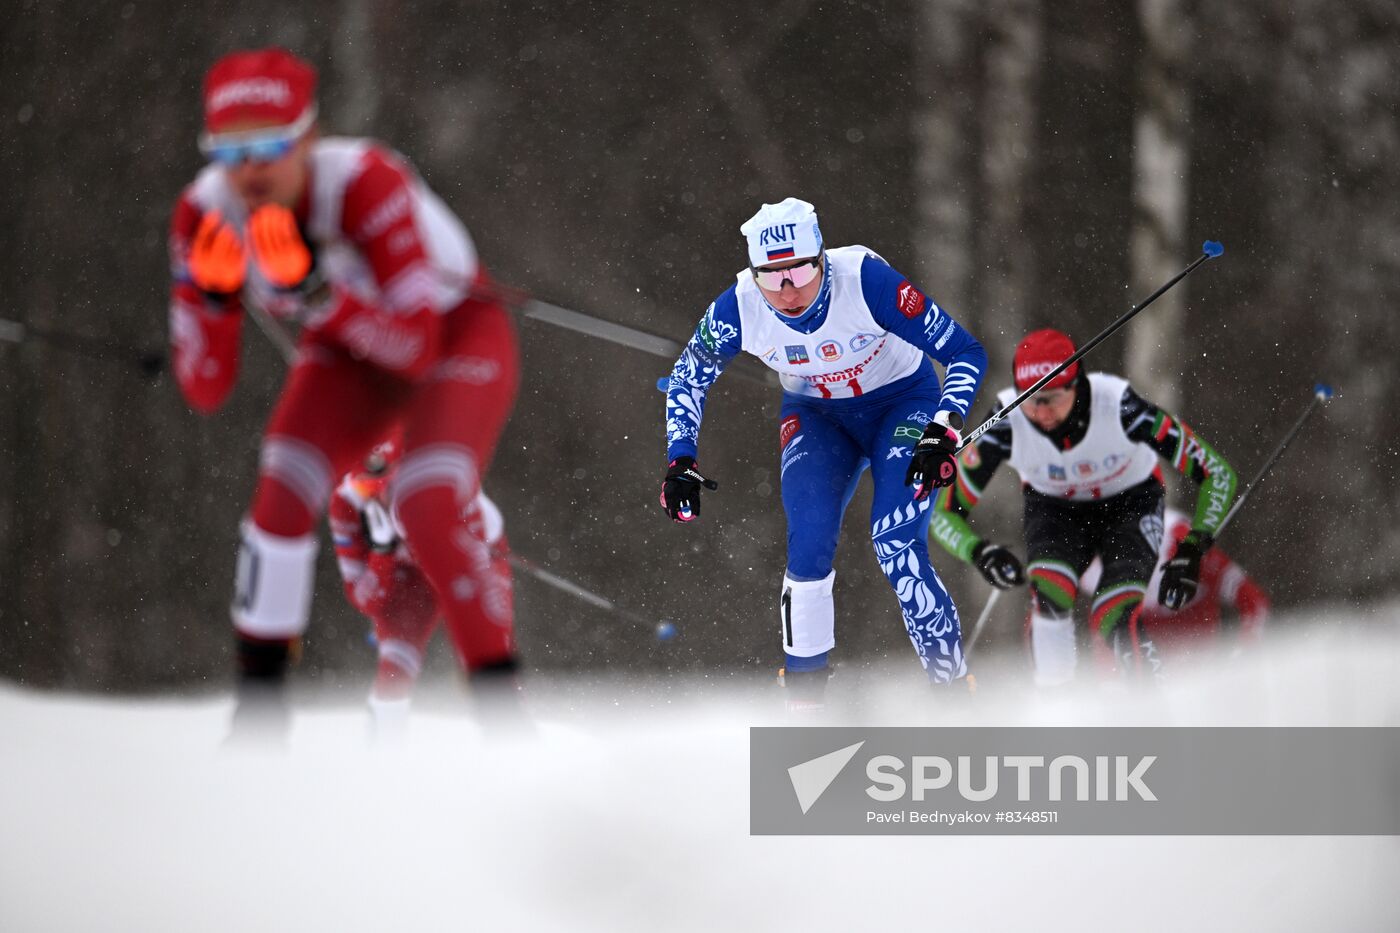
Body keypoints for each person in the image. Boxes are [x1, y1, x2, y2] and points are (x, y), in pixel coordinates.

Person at [166, 48, 521, 733]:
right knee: (282, 487)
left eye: (270, 145)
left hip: (456, 334)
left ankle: (503, 717)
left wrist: (316, 290)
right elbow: (206, 386)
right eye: (228, 150)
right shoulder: (205, 214)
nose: (249, 170)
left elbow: (417, 348)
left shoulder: (363, 182)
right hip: (346, 347)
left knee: (426, 499)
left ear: (309, 137)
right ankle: (258, 720)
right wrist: (213, 300)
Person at [660, 198, 988, 708]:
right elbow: (687, 377)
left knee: (894, 541)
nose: (788, 291)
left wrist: (943, 429)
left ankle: (953, 696)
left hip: (902, 404)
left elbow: (965, 351)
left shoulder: (865, 280)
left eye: (798, 272)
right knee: (807, 545)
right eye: (772, 277)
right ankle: (806, 705)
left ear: (822, 260)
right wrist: (681, 460)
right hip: (818, 417)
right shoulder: (739, 306)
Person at [931, 327, 1240, 685]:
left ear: (1077, 385)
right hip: (1056, 510)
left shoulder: (1120, 406)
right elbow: (942, 514)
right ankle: (1056, 712)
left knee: (1114, 613)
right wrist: (980, 553)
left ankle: (1148, 706)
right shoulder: (1005, 422)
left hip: (1131, 502)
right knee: (1049, 593)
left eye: (1053, 398)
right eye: (1029, 400)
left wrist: (1192, 549)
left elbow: (1217, 473)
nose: (1041, 412)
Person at [329, 433, 514, 739]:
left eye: (391, 484)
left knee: (487, 653)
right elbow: (365, 599)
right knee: (395, 665)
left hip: (463, 559)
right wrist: (382, 550)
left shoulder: (441, 485)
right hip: (405, 575)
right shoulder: (346, 503)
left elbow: (475, 577)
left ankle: (508, 734)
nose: (379, 498)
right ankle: (382, 749)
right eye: (365, 487)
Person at [1080, 507, 1269, 663]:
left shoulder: (1179, 542)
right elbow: (1105, 645)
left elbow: (1254, 602)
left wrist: (1244, 655)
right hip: (1154, 676)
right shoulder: (1087, 570)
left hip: (1203, 663)